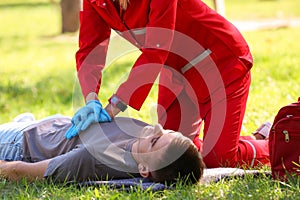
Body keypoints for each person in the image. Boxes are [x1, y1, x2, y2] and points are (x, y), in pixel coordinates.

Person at [66, 0, 270, 168]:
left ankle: (274, 144)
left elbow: (156, 48)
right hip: (175, 74)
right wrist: (91, 99)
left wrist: (113, 107)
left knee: (218, 161)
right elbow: (90, 48)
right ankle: (251, 138)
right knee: (167, 156)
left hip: (221, 63)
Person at [0, 113, 203, 184]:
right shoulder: (142, 137)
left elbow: (18, 171)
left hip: (21, 141)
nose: (157, 128)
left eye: (154, 141)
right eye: (169, 131)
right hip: (54, 125)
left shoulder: (93, 159)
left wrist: (5, 167)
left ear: (143, 169)